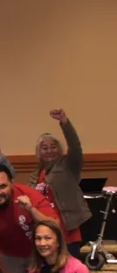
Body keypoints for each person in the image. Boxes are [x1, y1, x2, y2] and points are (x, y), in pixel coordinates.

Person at [32, 109, 89, 258]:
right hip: (44, 232)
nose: (49, 150)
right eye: (45, 148)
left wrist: (64, 122)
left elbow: (75, 146)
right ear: (39, 152)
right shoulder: (36, 174)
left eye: (53, 146)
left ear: (60, 149)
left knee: (69, 272)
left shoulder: (69, 165)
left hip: (67, 230)